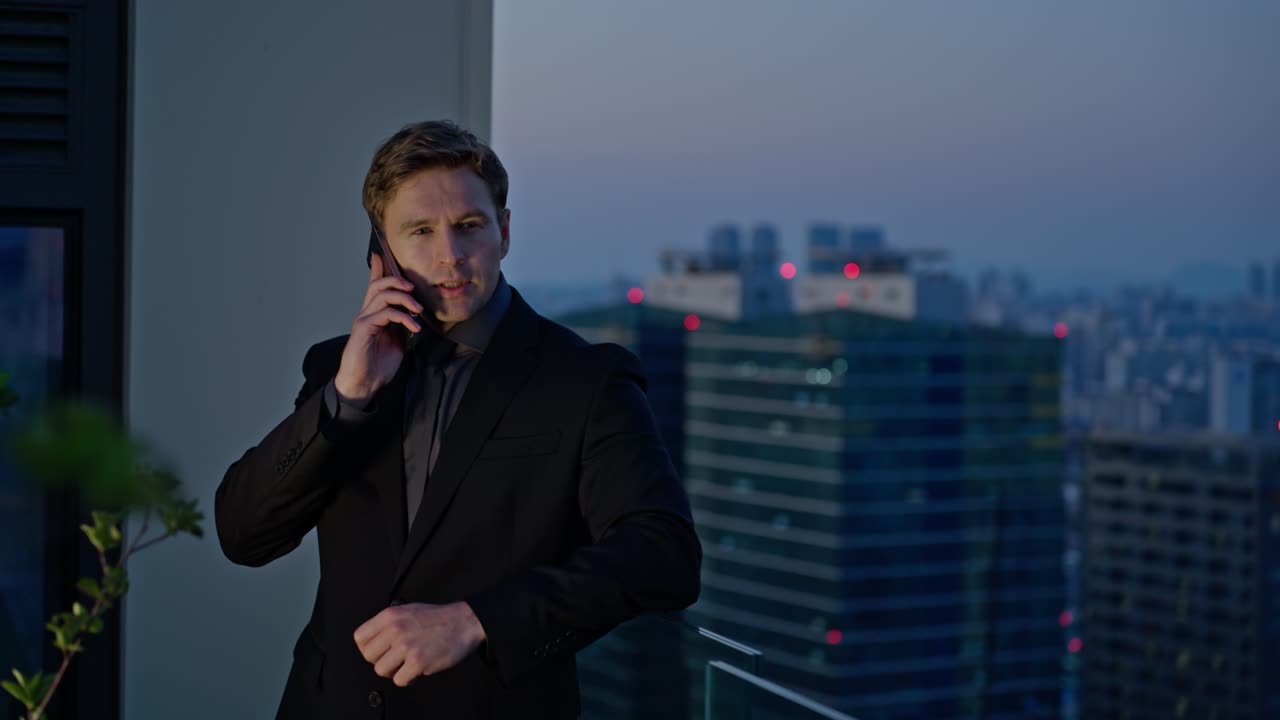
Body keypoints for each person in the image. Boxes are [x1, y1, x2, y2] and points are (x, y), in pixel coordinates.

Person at [215, 120, 701, 719]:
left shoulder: (588, 379)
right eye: (420, 232)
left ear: (504, 231)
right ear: (382, 253)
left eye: (469, 226)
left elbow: (663, 553)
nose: (450, 254)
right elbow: (242, 534)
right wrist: (349, 395)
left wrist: (478, 620)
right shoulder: (337, 371)